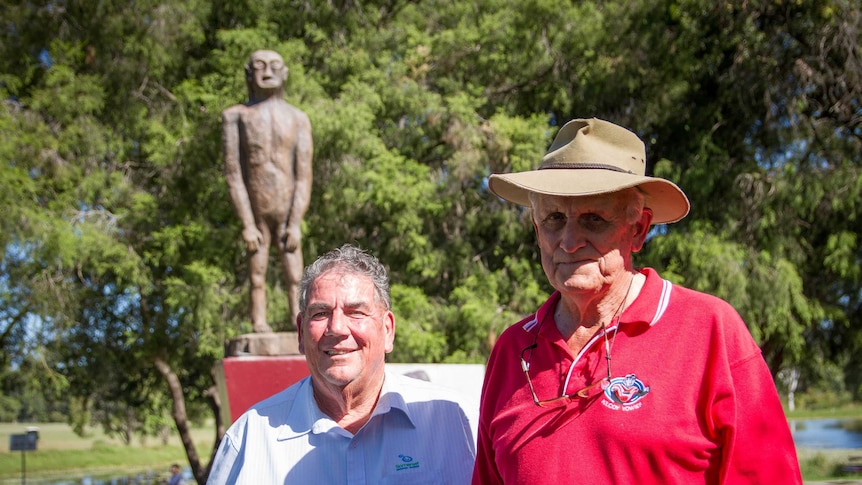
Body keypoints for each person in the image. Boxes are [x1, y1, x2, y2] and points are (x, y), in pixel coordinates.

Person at [472, 118, 802, 484]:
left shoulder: (709, 331)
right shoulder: (512, 349)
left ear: (640, 228)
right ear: (536, 228)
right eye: (553, 218)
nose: (568, 241)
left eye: (592, 219)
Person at [208, 244, 477, 484]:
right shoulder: (249, 440)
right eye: (321, 313)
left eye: (355, 312)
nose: (336, 328)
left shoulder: (459, 424)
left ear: (388, 330)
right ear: (301, 332)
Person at [222, 49, 313, 332]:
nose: (267, 72)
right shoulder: (236, 116)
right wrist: (248, 224)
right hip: (256, 210)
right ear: (249, 74)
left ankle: (298, 324)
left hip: (288, 211)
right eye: (260, 66)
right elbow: (234, 173)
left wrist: (296, 222)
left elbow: (303, 175)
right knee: (256, 273)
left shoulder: (298, 118)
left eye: (274, 66)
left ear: (285, 73)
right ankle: (258, 323)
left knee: (296, 275)